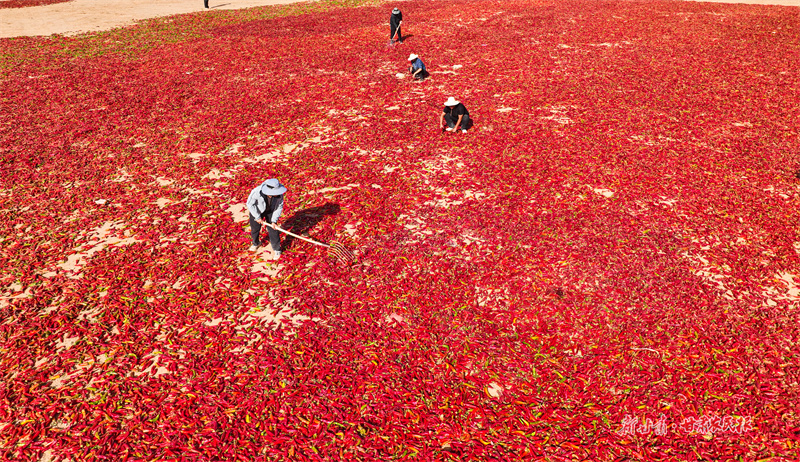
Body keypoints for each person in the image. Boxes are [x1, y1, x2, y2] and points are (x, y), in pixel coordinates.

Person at [246, 178, 287, 258]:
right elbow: (250, 204)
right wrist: (257, 217)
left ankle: (277, 249)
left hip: (271, 211)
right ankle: (256, 243)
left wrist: (274, 221)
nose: (278, 193)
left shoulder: (279, 195)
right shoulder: (257, 192)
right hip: (257, 211)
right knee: (255, 229)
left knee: (273, 229)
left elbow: (279, 207)